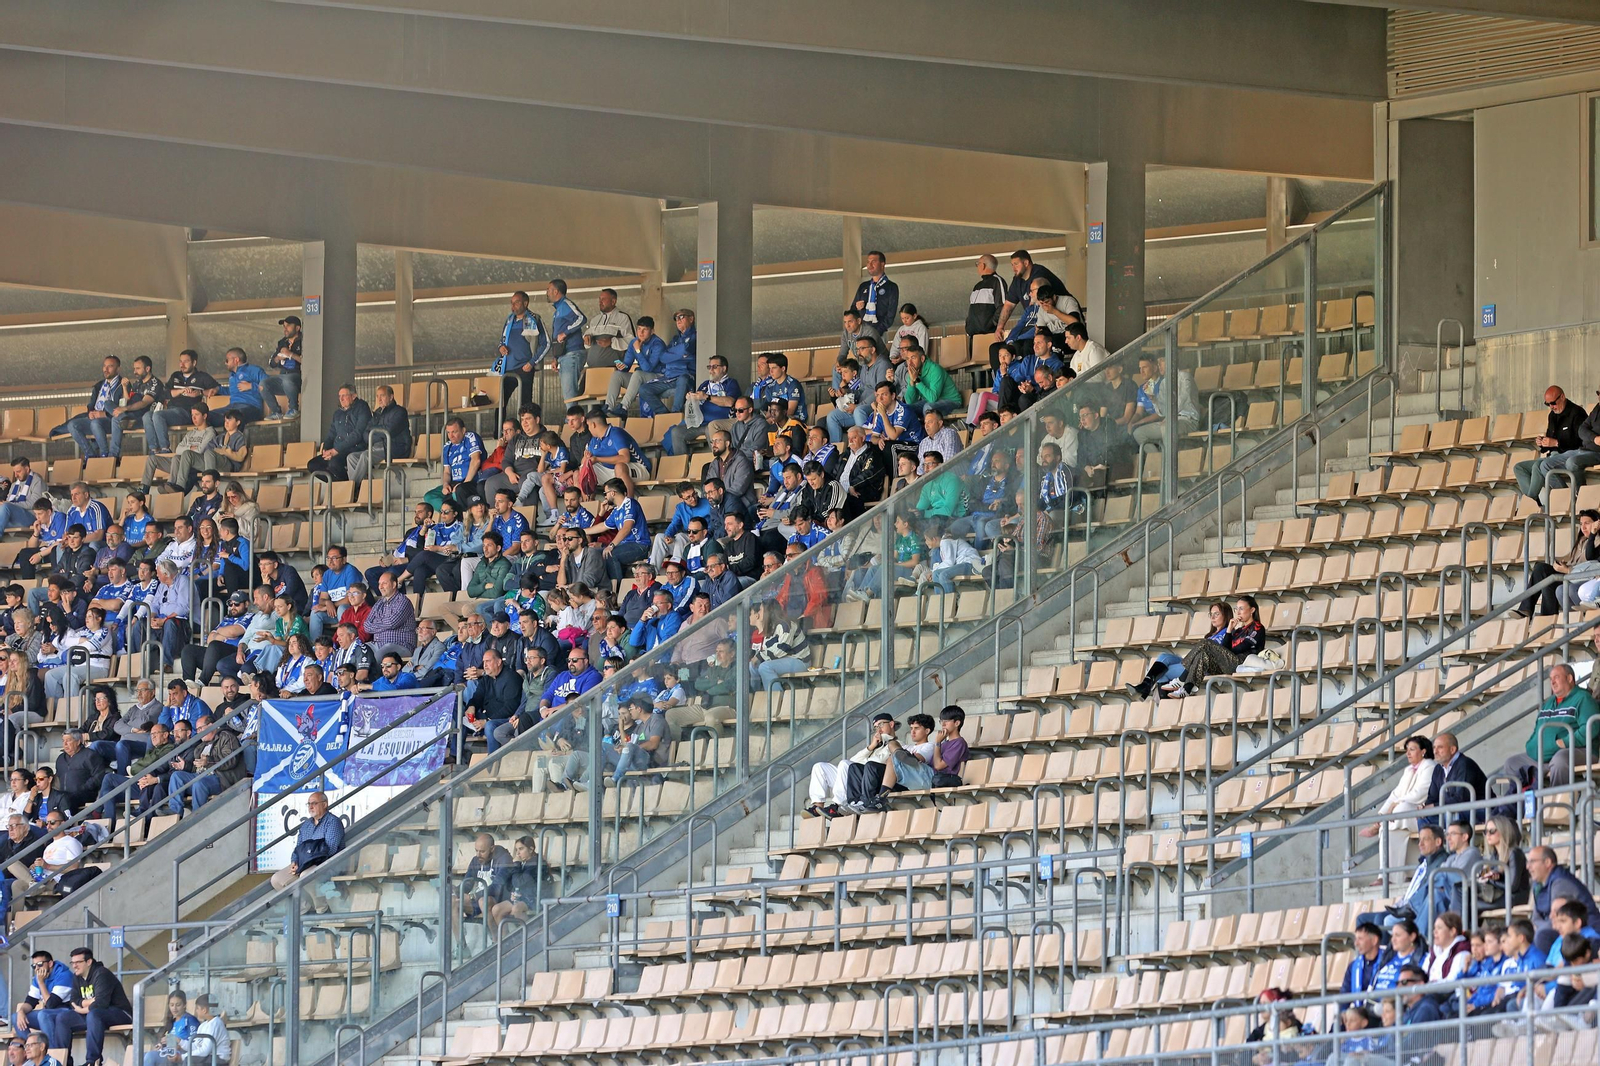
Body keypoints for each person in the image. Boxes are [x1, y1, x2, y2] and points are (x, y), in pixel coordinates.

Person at [1497, 663, 1597, 789]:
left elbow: (1591, 727)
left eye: (1556, 677)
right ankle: (1528, 806)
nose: (1553, 682)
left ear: (1569, 678)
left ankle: (1559, 805)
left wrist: (1565, 742)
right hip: (1544, 755)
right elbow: (1537, 729)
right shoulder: (1549, 702)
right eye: (1551, 679)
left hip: (1579, 751)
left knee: (1559, 761)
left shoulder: (1583, 698)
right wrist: (1531, 745)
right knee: (1511, 763)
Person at [1358, 734, 1437, 887]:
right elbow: (1395, 793)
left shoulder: (1430, 766)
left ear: (1423, 751)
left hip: (1424, 815)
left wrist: (1396, 805)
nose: (1408, 753)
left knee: (1401, 808)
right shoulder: (1408, 770)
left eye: (1412, 749)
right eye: (1407, 750)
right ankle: (1388, 877)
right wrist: (1381, 815)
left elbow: (1420, 793)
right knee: (1388, 829)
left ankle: (1381, 824)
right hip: (1404, 816)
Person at [34, 947, 133, 1066]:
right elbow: (73, 1000)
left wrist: (82, 1008)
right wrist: (88, 1003)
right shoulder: (77, 977)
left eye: (78, 962)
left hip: (120, 1013)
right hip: (94, 1013)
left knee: (94, 1014)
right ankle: (63, 1061)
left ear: (89, 962)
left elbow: (101, 1003)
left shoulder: (102, 973)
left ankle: (92, 1061)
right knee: (63, 1018)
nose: (74, 966)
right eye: (72, 963)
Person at [1160, 595, 1267, 697]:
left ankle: (1181, 679)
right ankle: (1186, 689)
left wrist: (1220, 651)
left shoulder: (1257, 627)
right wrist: (1229, 630)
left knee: (1206, 643)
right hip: (1228, 663)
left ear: (1252, 610)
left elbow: (1240, 648)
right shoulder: (1238, 630)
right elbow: (1225, 648)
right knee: (1202, 655)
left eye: (1241, 609)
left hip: (1241, 663)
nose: (1238, 612)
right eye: (1236, 609)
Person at [1356, 824, 1448, 933]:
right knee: (1362, 919)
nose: (1420, 844)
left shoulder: (1442, 864)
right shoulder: (1424, 863)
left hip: (1416, 912)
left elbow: (1427, 894)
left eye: (1425, 839)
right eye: (1419, 840)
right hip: (1404, 907)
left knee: (1382, 920)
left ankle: (1391, 950)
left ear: (1438, 842)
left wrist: (1407, 907)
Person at [805, 713, 897, 817]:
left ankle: (838, 806)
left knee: (844, 764)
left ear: (891, 724)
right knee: (820, 767)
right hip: (854, 776)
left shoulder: (897, 745)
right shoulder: (875, 746)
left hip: (868, 780)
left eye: (881, 725)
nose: (878, 730)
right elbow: (853, 761)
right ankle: (817, 807)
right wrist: (871, 747)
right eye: (876, 727)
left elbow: (877, 765)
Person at [1514, 385, 1591, 503]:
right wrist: (1542, 442)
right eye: (1548, 404)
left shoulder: (1577, 413)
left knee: (1538, 466)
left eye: (1553, 403)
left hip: (1571, 454)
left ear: (1562, 397)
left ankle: (1533, 501)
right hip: (1554, 455)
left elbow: (1581, 442)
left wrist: (1556, 443)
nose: (1551, 407)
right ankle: (1535, 501)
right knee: (1519, 467)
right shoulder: (1552, 415)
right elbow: (1550, 439)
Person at [1516, 508, 1600, 616]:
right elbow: (1572, 558)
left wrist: (1568, 570)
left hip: (1581, 578)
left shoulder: (1597, 540)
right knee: (1541, 570)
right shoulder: (1581, 540)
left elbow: (1590, 558)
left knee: (1545, 574)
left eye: (1587, 523)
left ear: (1596, 523)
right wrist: (1562, 563)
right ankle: (1528, 611)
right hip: (1569, 574)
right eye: (1581, 524)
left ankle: (1545, 616)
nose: (1583, 527)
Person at [269, 791, 344, 894]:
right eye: (309, 804)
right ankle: (304, 907)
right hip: (303, 863)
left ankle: (321, 908)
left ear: (324, 804)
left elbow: (330, 850)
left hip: (326, 864)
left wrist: (307, 862)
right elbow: (298, 848)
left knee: (305, 875)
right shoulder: (306, 825)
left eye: (314, 803)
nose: (310, 807)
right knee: (276, 879)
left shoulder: (333, 822)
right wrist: (294, 862)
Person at [1527, 845, 1600, 949]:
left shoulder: (1561, 882)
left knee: (1542, 936)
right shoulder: (1538, 884)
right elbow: (1536, 917)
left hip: (1587, 933)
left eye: (1532, 862)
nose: (1527, 866)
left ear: (1547, 862)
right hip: (1562, 929)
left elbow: (1557, 919)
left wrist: (1535, 930)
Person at [56, 356, 125, 459]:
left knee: (95, 423)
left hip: (110, 421)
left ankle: (104, 454)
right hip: (94, 419)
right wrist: (90, 413)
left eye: (110, 366)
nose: (105, 369)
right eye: (104, 366)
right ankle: (90, 455)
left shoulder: (123, 385)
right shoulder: (99, 385)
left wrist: (105, 414)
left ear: (118, 369)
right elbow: (91, 404)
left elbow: (123, 408)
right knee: (72, 425)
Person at [495, 290, 550, 412]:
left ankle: (526, 430)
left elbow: (546, 343)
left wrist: (532, 362)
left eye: (516, 302)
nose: (513, 306)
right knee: (499, 404)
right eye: (511, 303)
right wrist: (501, 347)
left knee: (526, 405)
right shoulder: (509, 320)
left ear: (525, 303)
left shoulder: (534, 319)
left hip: (525, 367)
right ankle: (498, 431)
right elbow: (501, 340)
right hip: (508, 368)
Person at [305, 385, 371, 482]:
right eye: (339, 396)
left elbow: (357, 434)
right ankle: (343, 485)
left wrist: (336, 450)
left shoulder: (362, 408)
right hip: (337, 450)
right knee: (313, 465)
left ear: (354, 396)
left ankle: (349, 488)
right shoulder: (338, 413)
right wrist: (326, 448)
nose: (341, 398)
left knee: (334, 462)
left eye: (344, 395)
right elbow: (331, 433)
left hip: (355, 448)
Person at [1425, 731, 1487, 827]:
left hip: (1479, 809)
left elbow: (1461, 799)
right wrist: (1425, 808)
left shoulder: (1465, 764)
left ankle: (1452, 842)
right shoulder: (1438, 768)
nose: (1435, 751)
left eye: (1440, 747)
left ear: (1452, 749)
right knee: (1423, 817)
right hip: (1452, 811)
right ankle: (1432, 842)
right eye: (1434, 747)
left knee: (1451, 815)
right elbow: (1432, 797)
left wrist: (1434, 806)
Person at [1477, 815, 1530, 915]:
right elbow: (1484, 874)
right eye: (1485, 832)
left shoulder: (1514, 853)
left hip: (1514, 897)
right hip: (1501, 895)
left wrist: (1490, 880)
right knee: (1462, 894)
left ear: (1503, 831)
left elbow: (1512, 887)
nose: (1488, 835)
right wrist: (1487, 876)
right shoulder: (1495, 855)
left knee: (1467, 904)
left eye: (1492, 831)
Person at [14, 950, 72, 1043]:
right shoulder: (38, 978)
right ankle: (31, 1048)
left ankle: (51, 1052)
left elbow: (51, 1004)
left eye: (40, 964)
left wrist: (41, 982)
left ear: (50, 963)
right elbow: (30, 1001)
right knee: (16, 1017)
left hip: (65, 1011)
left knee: (44, 1014)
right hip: (49, 1013)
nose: (37, 968)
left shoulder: (64, 975)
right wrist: (21, 1011)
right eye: (34, 966)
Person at [546, 279, 589, 403]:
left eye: (549, 290)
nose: (547, 292)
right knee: (568, 393)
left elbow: (581, 318)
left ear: (556, 291)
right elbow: (556, 335)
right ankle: (573, 420)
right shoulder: (559, 308)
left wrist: (566, 332)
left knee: (570, 395)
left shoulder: (566, 304)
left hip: (572, 353)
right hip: (564, 355)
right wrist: (555, 357)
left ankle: (572, 421)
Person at [1433, 820, 1483, 920]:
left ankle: (1411, 907)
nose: (1448, 838)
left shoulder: (1472, 853)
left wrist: (1440, 875)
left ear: (1465, 837)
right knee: (1436, 894)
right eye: (1447, 834)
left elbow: (1454, 877)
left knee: (1437, 882)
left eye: (1453, 834)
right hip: (1449, 896)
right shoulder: (1452, 857)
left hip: (1463, 896)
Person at [209, 347, 268, 428]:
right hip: (232, 407)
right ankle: (219, 440)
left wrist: (251, 386)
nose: (225, 363)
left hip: (251, 407)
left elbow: (269, 386)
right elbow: (232, 391)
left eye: (227, 360)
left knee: (234, 417)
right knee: (206, 416)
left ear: (236, 360)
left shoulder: (254, 370)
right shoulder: (232, 375)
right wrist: (218, 389)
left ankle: (234, 440)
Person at [140, 990, 198, 1066]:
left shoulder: (190, 1020)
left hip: (180, 1056)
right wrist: (161, 1045)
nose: (174, 1008)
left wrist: (179, 1047)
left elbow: (194, 1045)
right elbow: (170, 1042)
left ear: (184, 1005)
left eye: (178, 1005)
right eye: (172, 1005)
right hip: (168, 1053)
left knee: (151, 1056)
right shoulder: (172, 1022)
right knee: (141, 1056)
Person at [262, 314, 304, 417]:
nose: (285, 329)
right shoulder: (282, 342)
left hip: (298, 377)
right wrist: (278, 358)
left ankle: (294, 409)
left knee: (287, 380)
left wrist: (291, 354)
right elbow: (272, 363)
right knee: (263, 384)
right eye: (284, 326)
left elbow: (309, 362)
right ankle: (276, 411)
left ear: (297, 328)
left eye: (288, 326)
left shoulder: (304, 341)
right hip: (282, 376)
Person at [187, 994, 231, 1066]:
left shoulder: (216, 1023)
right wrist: (180, 1043)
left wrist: (184, 1056)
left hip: (218, 1059)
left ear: (204, 1010)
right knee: (184, 1059)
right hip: (209, 1057)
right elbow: (196, 1045)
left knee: (188, 1060)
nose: (196, 1011)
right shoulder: (203, 1025)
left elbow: (205, 1051)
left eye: (197, 1008)